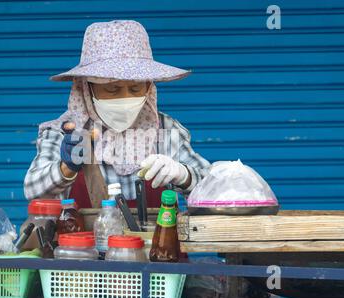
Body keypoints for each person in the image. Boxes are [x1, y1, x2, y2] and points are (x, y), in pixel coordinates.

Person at [24, 20, 210, 208]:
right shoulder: (67, 131)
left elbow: (214, 187)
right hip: (83, 236)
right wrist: (66, 168)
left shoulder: (164, 129)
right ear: (88, 89)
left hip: (155, 237)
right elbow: (32, 190)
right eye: (113, 90)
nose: (125, 98)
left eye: (136, 88)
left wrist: (184, 175)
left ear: (149, 87)